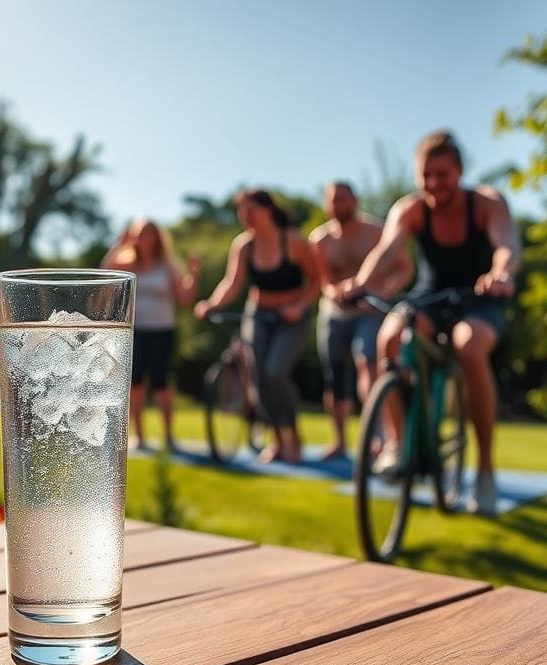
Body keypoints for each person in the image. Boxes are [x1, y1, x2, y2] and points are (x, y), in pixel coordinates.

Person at [338, 130, 520, 514]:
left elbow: (506, 244)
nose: (434, 184)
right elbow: (385, 250)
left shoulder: (486, 203)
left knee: (469, 347)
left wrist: (501, 273)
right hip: (430, 297)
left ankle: (484, 469)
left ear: (460, 172)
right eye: (426, 176)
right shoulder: (411, 209)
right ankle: (397, 443)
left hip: (480, 299)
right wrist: (361, 283)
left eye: (443, 174)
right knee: (389, 337)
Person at [194, 190, 320, 463]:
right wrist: (211, 304)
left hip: (292, 318)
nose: (246, 216)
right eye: (242, 211)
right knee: (258, 377)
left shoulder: (294, 242)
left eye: (252, 209)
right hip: (259, 313)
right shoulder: (244, 245)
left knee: (275, 371)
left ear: (269, 210)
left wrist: (298, 307)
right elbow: (232, 283)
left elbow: (316, 282)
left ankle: (293, 437)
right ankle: (277, 438)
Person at [309, 182, 412, 459]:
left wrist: (379, 293)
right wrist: (336, 293)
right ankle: (340, 440)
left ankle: (378, 437)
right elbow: (324, 281)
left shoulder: (377, 231)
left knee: (368, 364)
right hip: (334, 313)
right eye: (333, 200)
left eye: (343, 199)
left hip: (371, 312)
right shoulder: (320, 240)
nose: (339, 205)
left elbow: (404, 269)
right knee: (335, 377)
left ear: (355, 200)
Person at [102, 219, 201, 451]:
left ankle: (168, 436)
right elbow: (105, 275)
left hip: (163, 331)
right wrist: (119, 243)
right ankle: (140, 436)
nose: (146, 239)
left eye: (150, 234)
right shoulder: (127, 263)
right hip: (135, 331)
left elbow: (185, 298)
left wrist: (195, 274)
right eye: (141, 234)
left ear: (157, 238)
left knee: (161, 383)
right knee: (134, 383)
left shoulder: (167, 266)